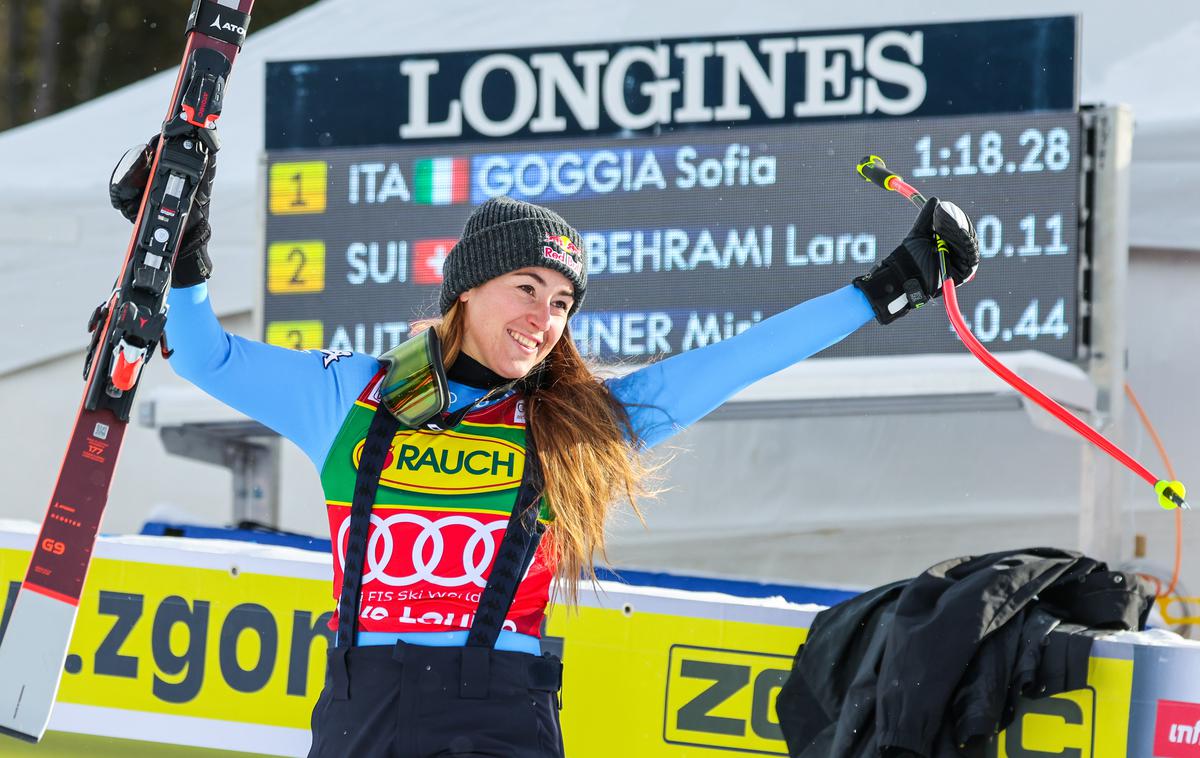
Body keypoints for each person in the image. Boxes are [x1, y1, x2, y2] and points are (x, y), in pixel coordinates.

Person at [110, 138, 979, 757]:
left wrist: (889, 288)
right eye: (527, 286)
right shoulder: (351, 396)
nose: (544, 316)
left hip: (501, 713)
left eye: (562, 301)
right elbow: (206, 353)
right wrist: (182, 250)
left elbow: (735, 361)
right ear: (465, 290)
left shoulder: (578, 422)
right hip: (362, 708)